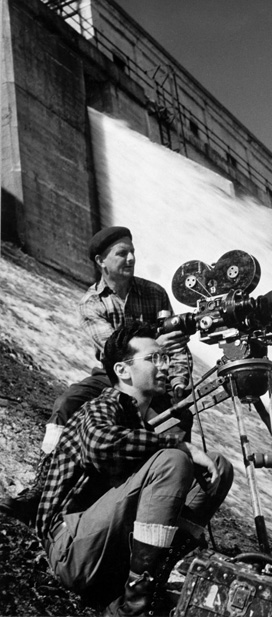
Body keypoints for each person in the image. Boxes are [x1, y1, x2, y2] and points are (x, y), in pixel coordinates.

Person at [36, 322, 234, 616]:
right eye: (153, 359)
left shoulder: (140, 421)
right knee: (174, 459)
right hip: (70, 550)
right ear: (122, 370)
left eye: (165, 358)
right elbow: (99, 445)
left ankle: (149, 577)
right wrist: (178, 446)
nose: (164, 366)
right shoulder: (102, 406)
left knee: (218, 467)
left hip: (106, 556)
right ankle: (135, 606)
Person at [0, 226, 192, 525]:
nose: (131, 258)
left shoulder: (155, 293)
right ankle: (41, 488)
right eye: (122, 253)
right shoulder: (92, 303)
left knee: (181, 416)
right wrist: (156, 340)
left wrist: (179, 380)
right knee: (68, 402)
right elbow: (114, 350)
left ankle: (174, 503)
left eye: (132, 252)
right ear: (101, 260)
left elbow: (178, 346)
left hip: (156, 371)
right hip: (112, 372)